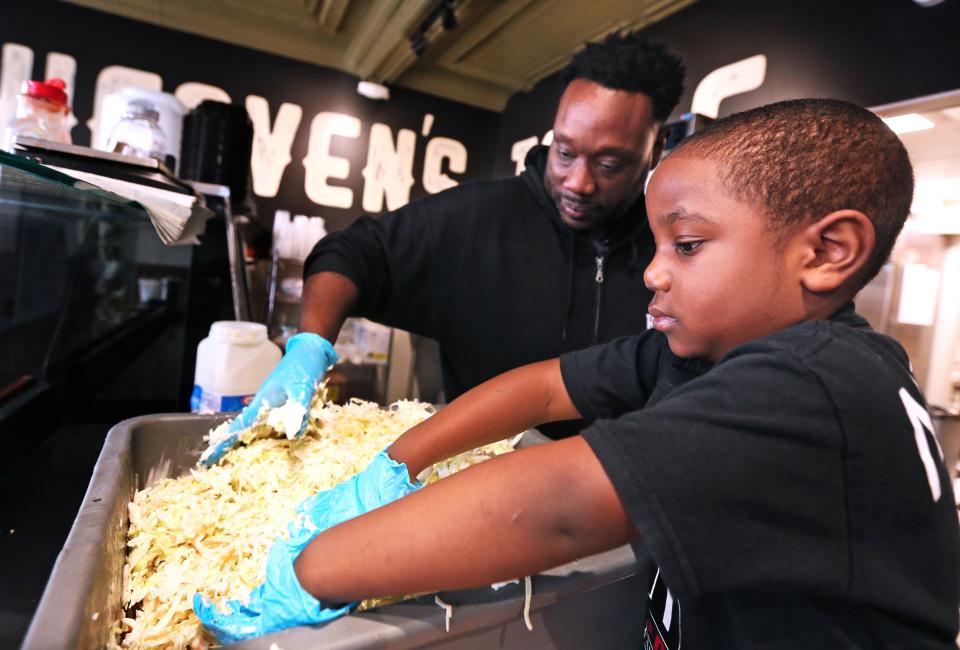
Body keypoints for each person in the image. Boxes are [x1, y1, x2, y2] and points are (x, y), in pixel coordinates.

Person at [196, 98, 960, 647]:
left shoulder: (815, 385)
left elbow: (561, 502)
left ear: (827, 254)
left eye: (687, 246)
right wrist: (394, 465)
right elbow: (544, 386)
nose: (653, 274)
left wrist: (312, 567)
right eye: (655, 246)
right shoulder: (698, 352)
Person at [201, 32, 685, 464]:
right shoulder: (481, 216)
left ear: (656, 145)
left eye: (608, 165)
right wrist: (309, 344)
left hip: (622, 501)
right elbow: (350, 252)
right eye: (564, 152)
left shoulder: (672, 252)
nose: (577, 182)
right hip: (481, 488)